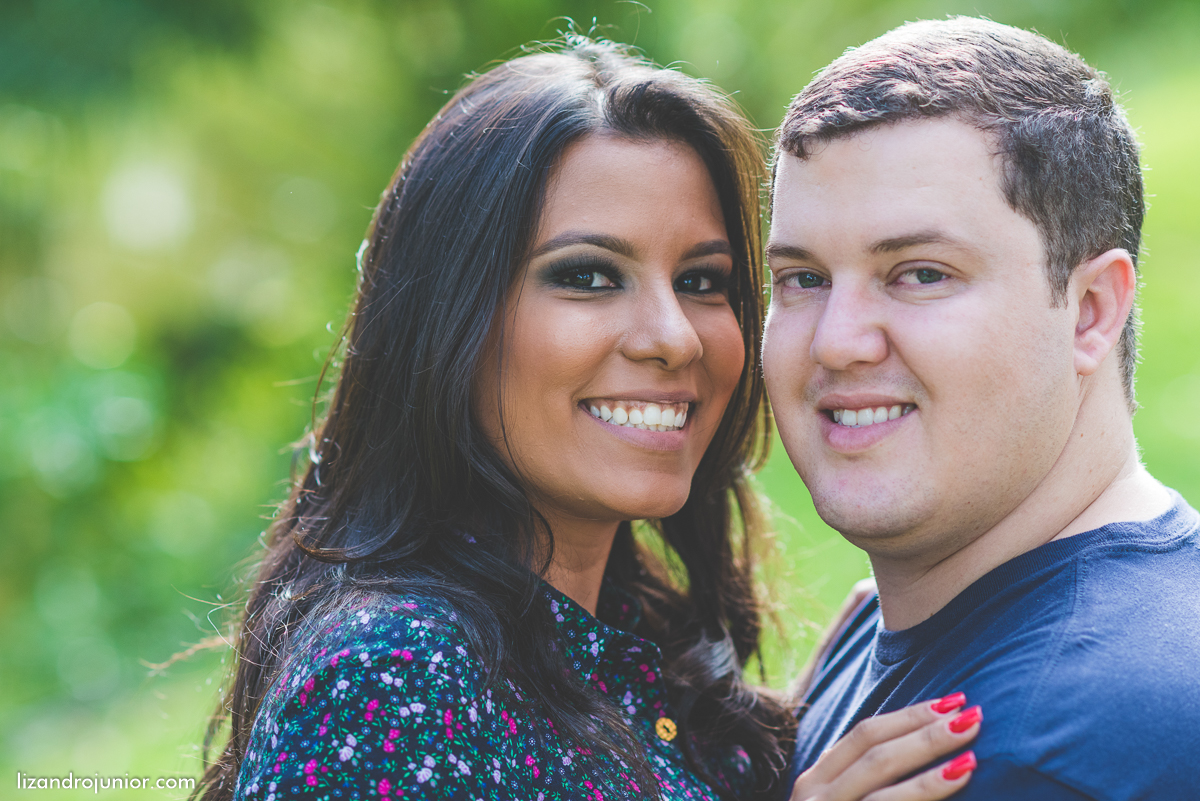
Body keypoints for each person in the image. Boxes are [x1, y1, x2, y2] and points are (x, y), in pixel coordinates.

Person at [194, 37, 981, 801]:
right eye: (588, 276)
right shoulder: (397, 669)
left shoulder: (638, 646)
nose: (673, 336)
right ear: (448, 319)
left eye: (704, 281)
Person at [764, 16, 1200, 801]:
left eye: (921, 273)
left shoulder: (1046, 752)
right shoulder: (910, 621)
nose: (836, 342)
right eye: (803, 277)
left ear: (1092, 308)